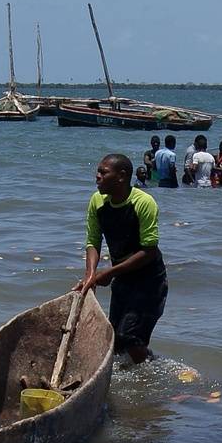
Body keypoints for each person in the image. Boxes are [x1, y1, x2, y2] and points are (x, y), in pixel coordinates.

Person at [75, 153, 166, 363]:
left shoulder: (144, 203)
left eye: (103, 172)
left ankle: (149, 374)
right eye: (98, 171)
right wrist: (90, 277)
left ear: (121, 177)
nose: (97, 176)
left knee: (130, 337)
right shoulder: (97, 201)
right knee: (115, 340)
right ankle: (144, 362)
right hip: (123, 278)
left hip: (149, 280)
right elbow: (93, 241)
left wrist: (108, 273)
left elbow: (149, 250)